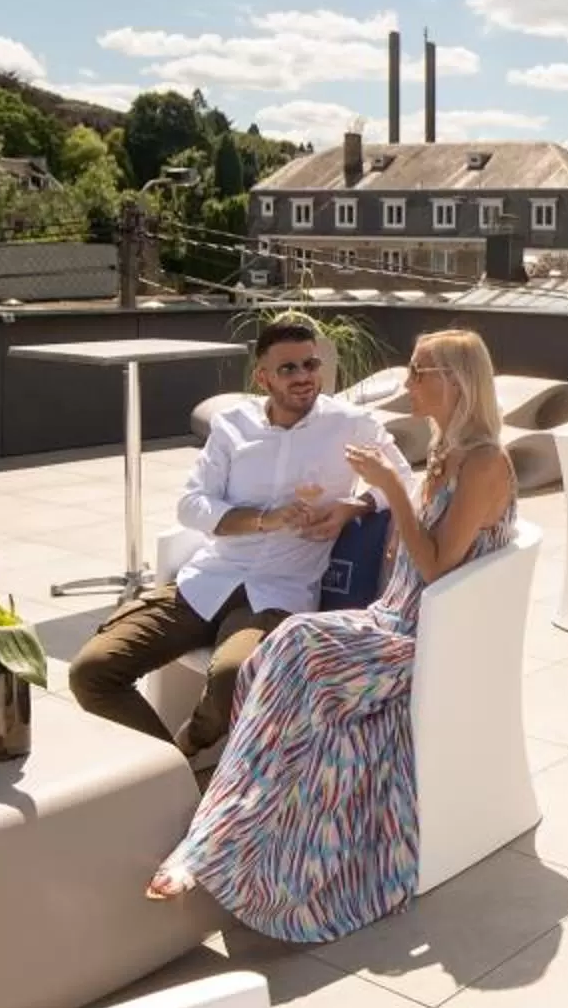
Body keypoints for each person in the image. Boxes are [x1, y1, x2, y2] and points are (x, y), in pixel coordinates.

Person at [146, 327, 518, 942]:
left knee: (292, 645)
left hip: (432, 634)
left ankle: (220, 840)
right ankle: (249, 824)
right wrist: (365, 505)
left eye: (419, 371)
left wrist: (392, 491)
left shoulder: (484, 462)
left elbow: (437, 570)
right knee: (274, 654)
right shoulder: (444, 451)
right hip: (396, 616)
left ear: (454, 382)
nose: (407, 382)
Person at [67, 315, 392, 757]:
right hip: (209, 580)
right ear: (262, 377)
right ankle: (170, 774)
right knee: (91, 671)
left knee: (232, 680)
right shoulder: (232, 426)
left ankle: (191, 745)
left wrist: (353, 506)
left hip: (281, 591)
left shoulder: (350, 424)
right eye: (288, 369)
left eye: (310, 365)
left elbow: (403, 481)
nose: (303, 378)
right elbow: (191, 505)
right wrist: (264, 519)